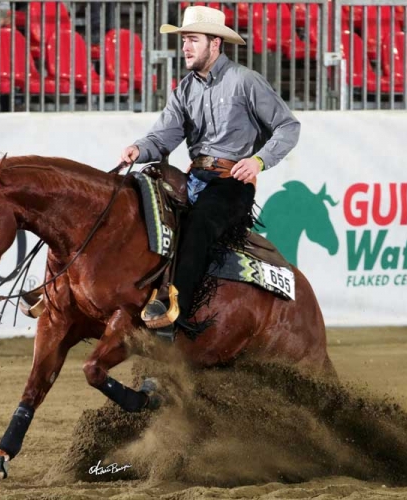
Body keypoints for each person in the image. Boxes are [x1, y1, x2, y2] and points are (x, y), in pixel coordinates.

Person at [120, 5, 300, 335]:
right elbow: (165, 135)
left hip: (233, 183)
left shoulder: (246, 82)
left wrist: (258, 161)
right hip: (194, 179)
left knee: (201, 222)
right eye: (184, 40)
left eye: (192, 39)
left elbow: (288, 126)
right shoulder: (184, 89)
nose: (185, 47)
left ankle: (174, 312)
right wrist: (141, 148)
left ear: (215, 43)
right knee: (139, 210)